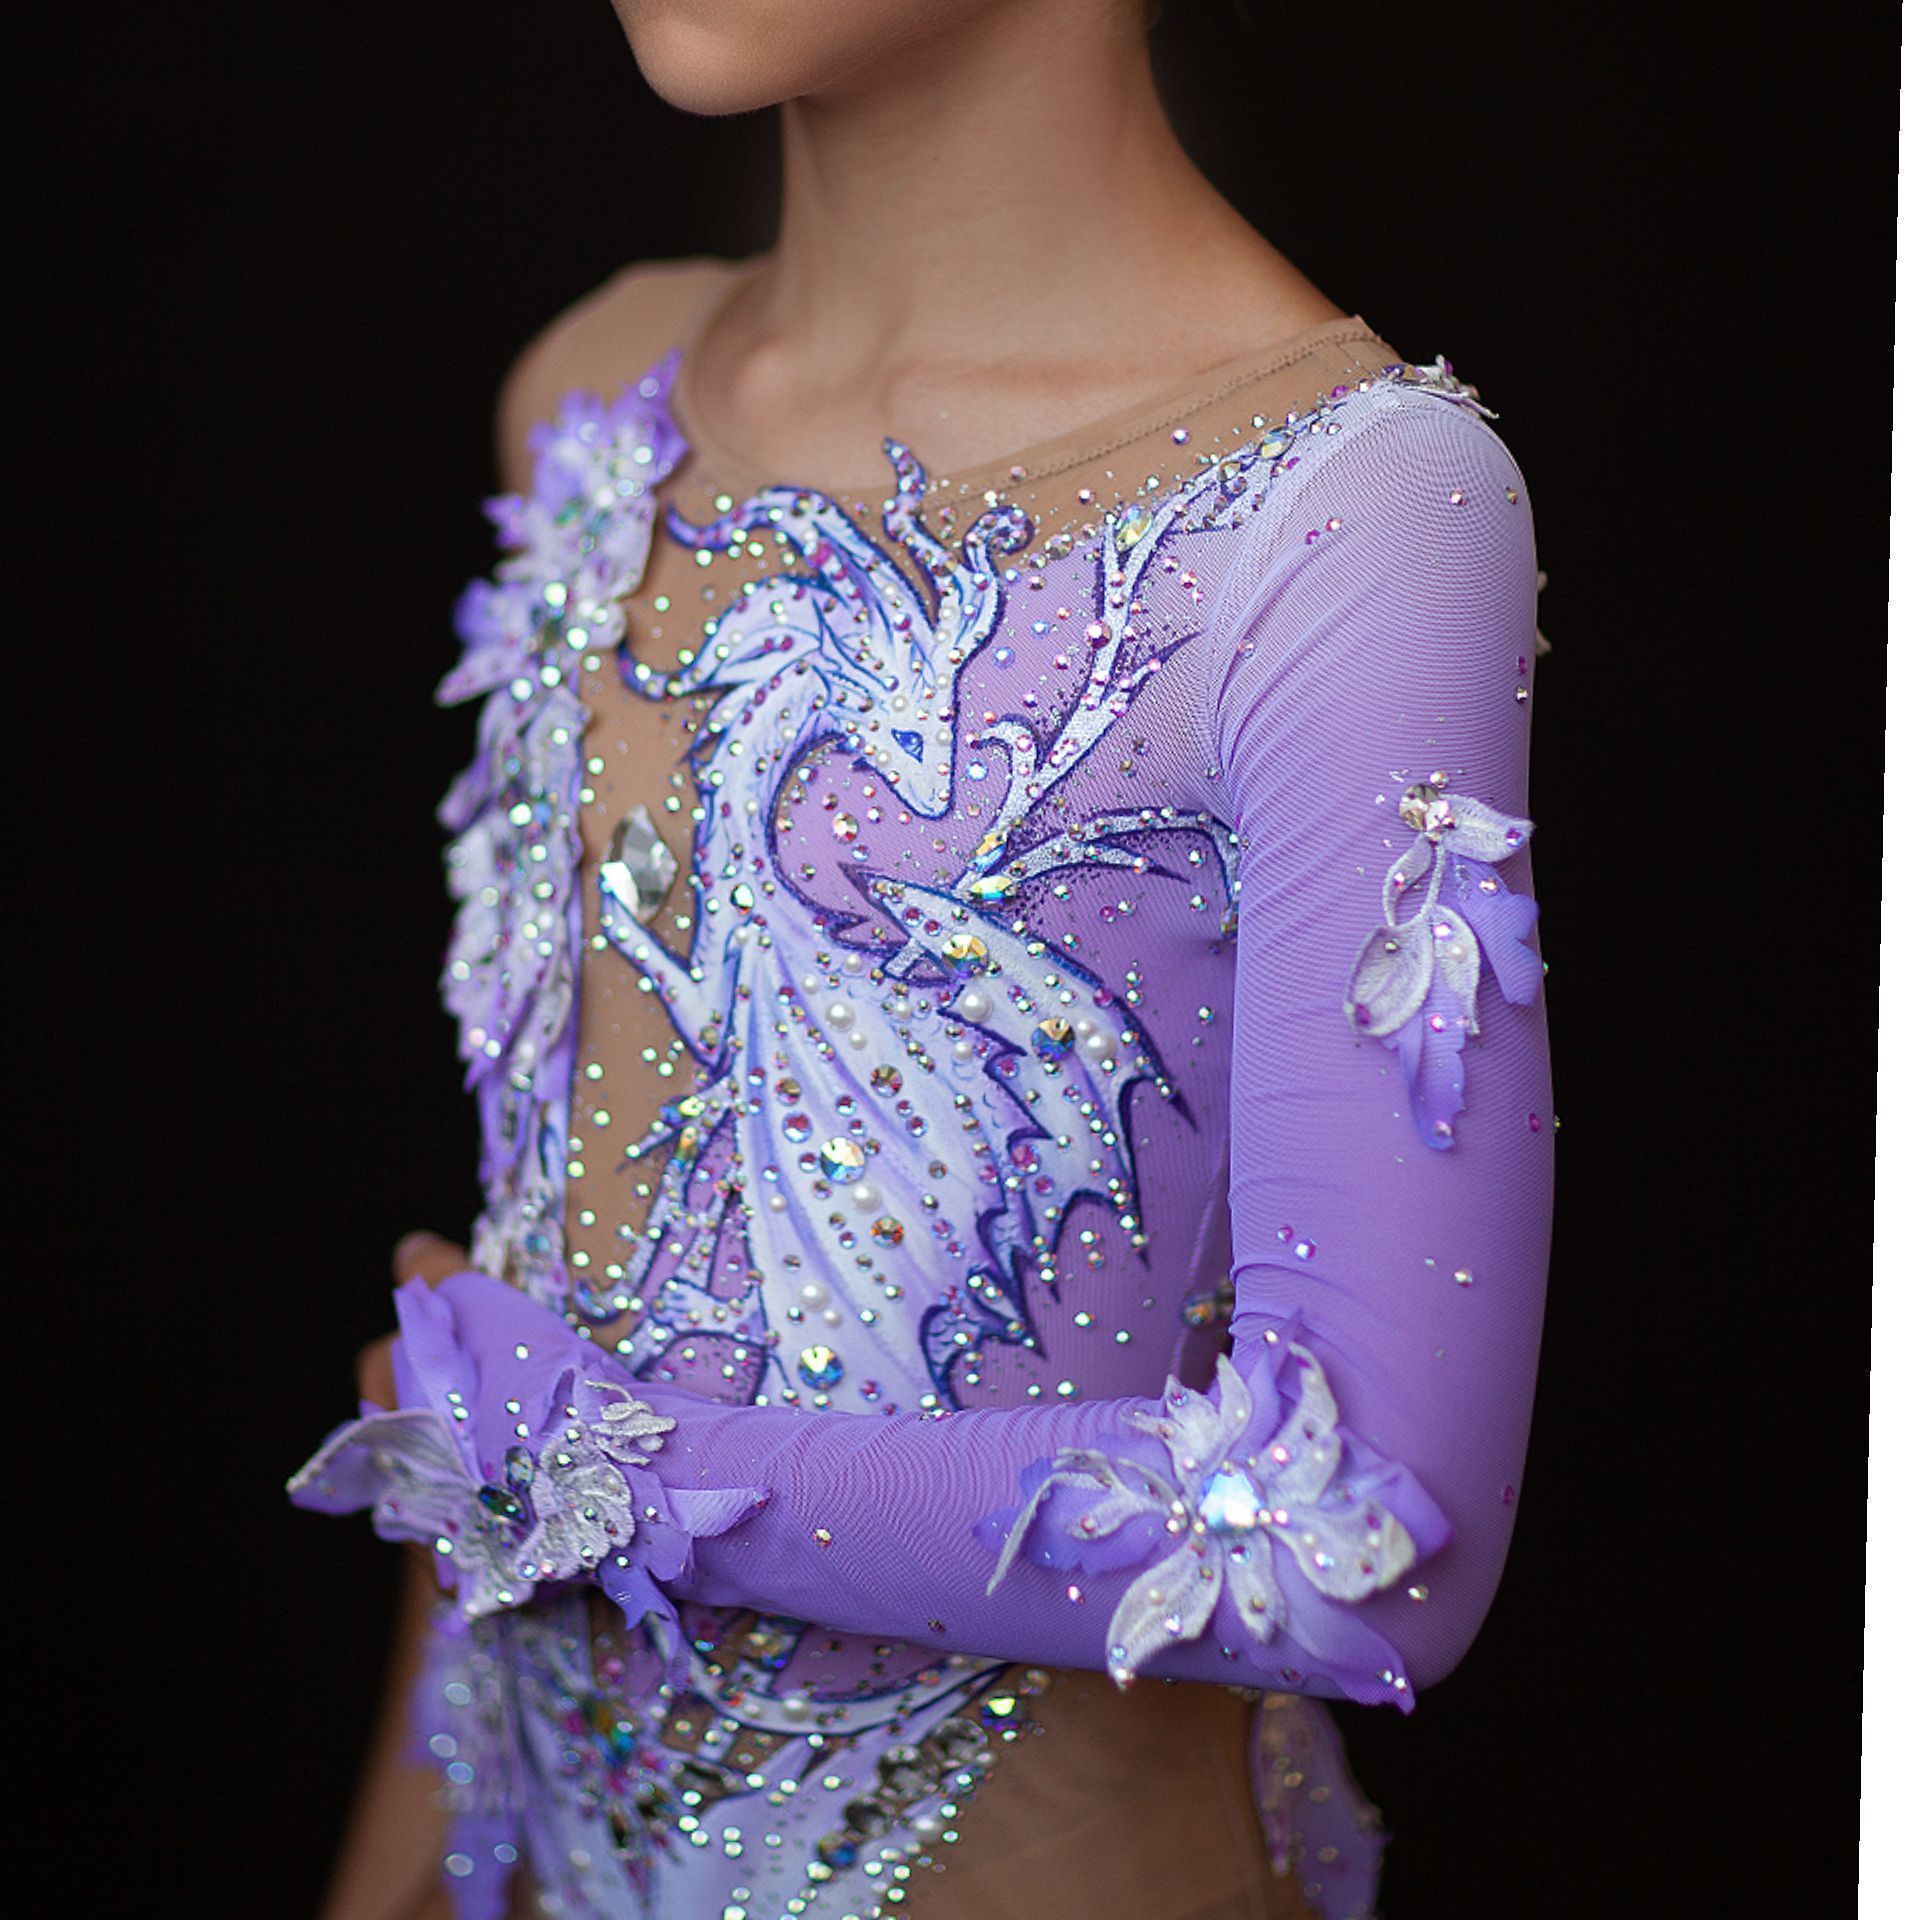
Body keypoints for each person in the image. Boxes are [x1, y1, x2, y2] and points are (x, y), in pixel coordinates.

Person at [292, 3, 1554, 1916]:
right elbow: (486, 1418)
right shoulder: (594, 395)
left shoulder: (1343, 518)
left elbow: (1352, 1539)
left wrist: (618, 1480)